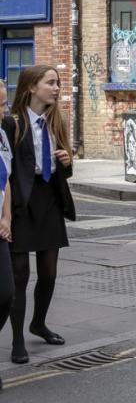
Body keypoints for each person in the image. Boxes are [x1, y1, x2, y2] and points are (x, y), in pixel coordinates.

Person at [1, 66, 75, 364]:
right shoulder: (11, 123)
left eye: (58, 83)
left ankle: (38, 323)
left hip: (49, 201)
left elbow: (64, 171)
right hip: (21, 204)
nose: (57, 88)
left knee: (49, 273)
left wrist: (67, 162)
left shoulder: (56, 122)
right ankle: (18, 339)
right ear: (32, 87)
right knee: (19, 275)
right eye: (51, 83)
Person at [0, 84, 13, 391]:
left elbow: (7, 179)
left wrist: (6, 217)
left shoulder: (2, 135)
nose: (5, 112)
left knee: (5, 295)